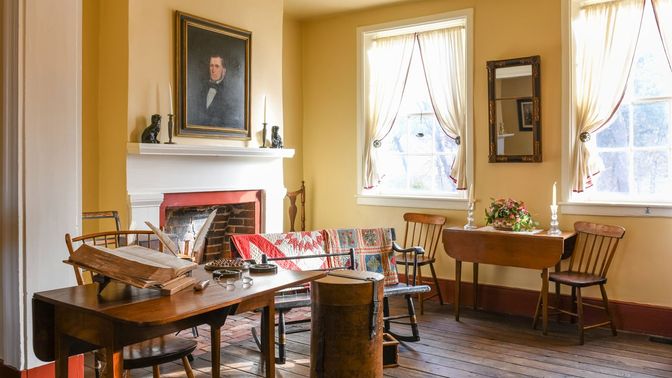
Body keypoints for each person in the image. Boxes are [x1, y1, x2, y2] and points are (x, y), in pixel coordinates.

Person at [192, 54, 240, 127]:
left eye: (217, 66)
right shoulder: (201, 89)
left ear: (223, 71)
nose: (213, 70)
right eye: (211, 66)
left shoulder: (230, 94)